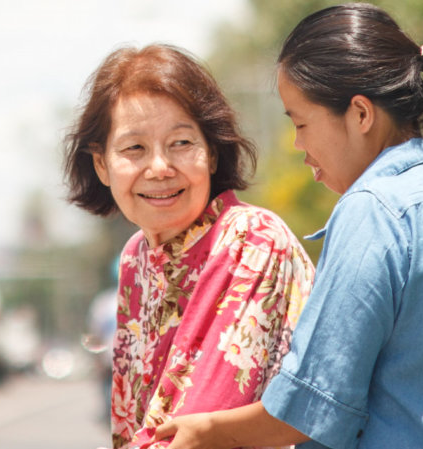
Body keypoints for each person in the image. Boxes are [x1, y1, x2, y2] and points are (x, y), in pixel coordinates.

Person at [154, 3, 423, 449]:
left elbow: (311, 407)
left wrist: (206, 430)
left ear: (361, 115)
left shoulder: (372, 210)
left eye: (301, 122)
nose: (298, 144)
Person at [64, 43, 315, 449]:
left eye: (181, 143)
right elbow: (132, 419)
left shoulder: (253, 238)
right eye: (134, 149)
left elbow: (195, 426)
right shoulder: (136, 257)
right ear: (101, 165)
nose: (160, 167)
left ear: (212, 154)